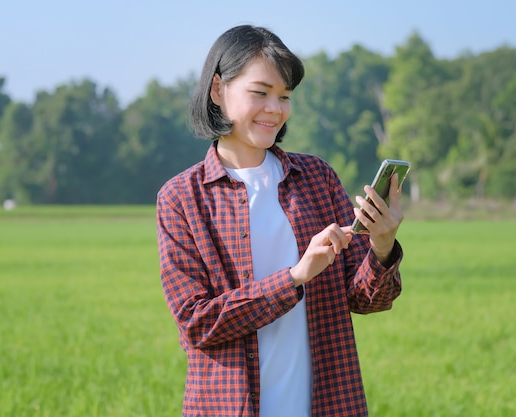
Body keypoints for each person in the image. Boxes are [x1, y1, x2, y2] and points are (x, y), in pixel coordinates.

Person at [156, 24, 404, 417]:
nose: (276, 108)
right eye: (261, 93)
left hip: (326, 403)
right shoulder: (183, 198)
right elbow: (197, 323)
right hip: (228, 406)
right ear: (218, 90)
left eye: (285, 96)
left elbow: (368, 299)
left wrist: (382, 245)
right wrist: (293, 278)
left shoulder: (316, 178)